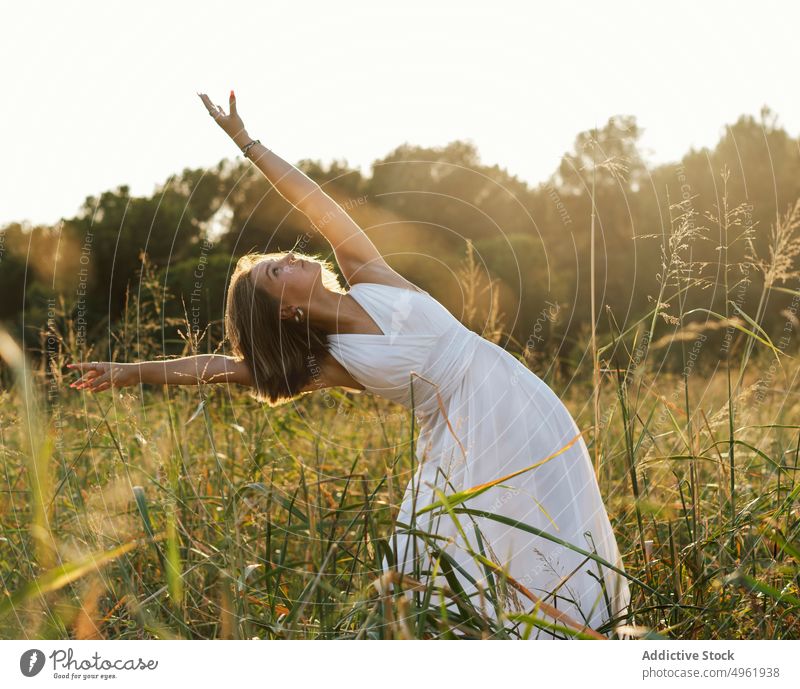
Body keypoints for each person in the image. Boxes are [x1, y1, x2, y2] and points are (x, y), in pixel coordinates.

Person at [68, 90, 632, 639]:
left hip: (513, 399)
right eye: (274, 271)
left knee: (542, 529)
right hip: (455, 440)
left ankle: (584, 640)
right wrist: (128, 370)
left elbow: (315, 202)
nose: (287, 257)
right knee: (429, 563)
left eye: (276, 258)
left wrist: (247, 143)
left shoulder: (369, 273)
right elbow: (218, 366)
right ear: (284, 309)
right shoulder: (327, 361)